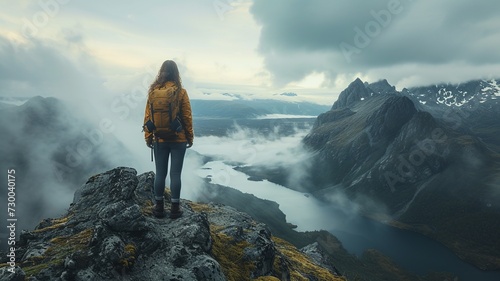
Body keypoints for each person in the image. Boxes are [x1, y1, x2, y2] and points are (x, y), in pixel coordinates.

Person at [143, 60, 194, 219]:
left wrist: (148, 138)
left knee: (160, 174)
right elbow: (186, 117)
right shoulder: (181, 91)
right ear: (176, 73)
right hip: (178, 139)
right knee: (175, 174)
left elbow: (148, 117)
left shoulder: (153, 91)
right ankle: (175, 209)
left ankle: (158, 208)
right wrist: (189, 137)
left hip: (159, 139)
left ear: (161, 72)